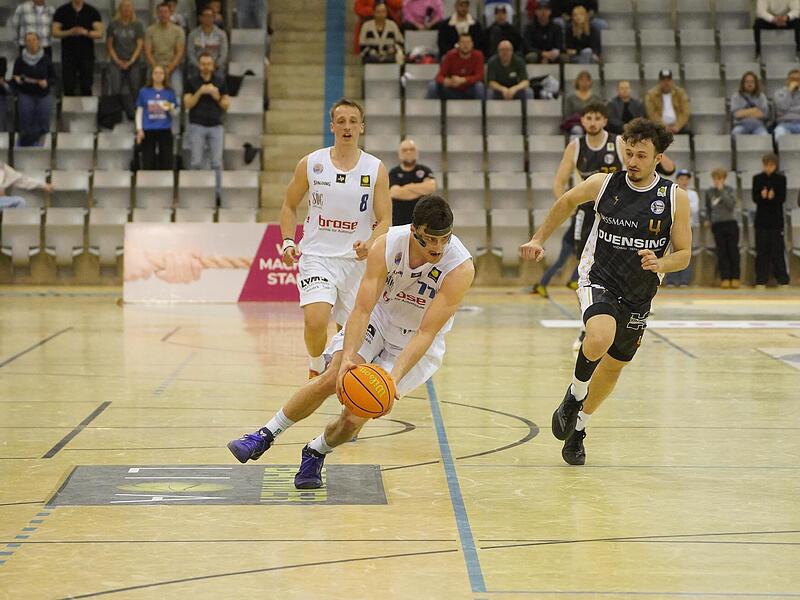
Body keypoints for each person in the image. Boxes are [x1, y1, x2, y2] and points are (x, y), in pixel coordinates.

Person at [228, 196, 475, 490]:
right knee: (333, 375)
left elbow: (426, 332)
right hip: (380, 319)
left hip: (416, 340)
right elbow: (362, 309)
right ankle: (264, 435)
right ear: (414, 231)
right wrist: (346, 357)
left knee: (356, 416)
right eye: (429, 240)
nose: (437, 248)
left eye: (443, 240)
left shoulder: (460, 268)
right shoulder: (387, 245)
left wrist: (392, 378)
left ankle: (315, 451)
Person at [520, 117, 692, 466]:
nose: (632, 161)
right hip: (600, 277)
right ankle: (574, 395)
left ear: (658, 157)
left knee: (613, 367)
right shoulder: (603, 183)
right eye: (629, 153)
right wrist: (539, 238)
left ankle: (579, 427)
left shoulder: (675, 198)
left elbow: (684, 255)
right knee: (599, 336)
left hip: (640, 291)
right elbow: (566, 202)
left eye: (641, 155)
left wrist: (662, 264)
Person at [277, 99, 392, 379]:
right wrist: (289, 241)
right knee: (315, 319)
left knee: (348, 337)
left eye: (353, 121)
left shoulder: (375, 168)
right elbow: (289, 205)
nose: (347, 127)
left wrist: (370, 244)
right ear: (332, 126)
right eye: (341, 121)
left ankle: (339, 379)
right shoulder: (311, 163)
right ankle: (316, 365)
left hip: (356, 263)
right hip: (318, 256)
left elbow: (386, 220)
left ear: (362, 127)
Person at [552, 102, 623, 346]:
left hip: (616, 212)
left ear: (604, 121)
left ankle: (618, 321)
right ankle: (587, 326)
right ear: (582, 121)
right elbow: (559, 183)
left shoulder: (619, 143)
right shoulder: (575, 147)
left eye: (597, 118)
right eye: (588, 118)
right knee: (587, 270)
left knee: (619, 267)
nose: (592, 122)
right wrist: (568, 205)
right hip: (586, 211)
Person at [184, 52, 230, 199]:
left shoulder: (220, 81)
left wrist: (216, 96)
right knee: (196, 161)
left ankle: (217, 195)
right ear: (199, 65)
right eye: (203, 64)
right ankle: (195, 193)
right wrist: (200, 92)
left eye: (208, 64)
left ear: (213, 66)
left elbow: (226, 105)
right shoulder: (191, 81)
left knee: (216, 162)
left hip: (216, 125)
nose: (206, 67)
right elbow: (187, 103)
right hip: (197, 124)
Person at [752, 154, 790, 288]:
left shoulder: (781, 179)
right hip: (761, 221)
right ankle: (761, 280)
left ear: (775, 165)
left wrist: (773, 197)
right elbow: (755, 198)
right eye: (766, 165)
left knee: (778, 251)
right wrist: (762, 197)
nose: (768, 168)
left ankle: (782, 279)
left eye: (771, 165)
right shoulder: (757, 179)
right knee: (761, 251)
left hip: (776, 221)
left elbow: (782, 198)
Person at [12, 32, 56, 147]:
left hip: (43, 95)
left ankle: (42, 150)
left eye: (34, 40)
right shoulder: (20, 60)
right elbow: (15, 76)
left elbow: (54, 78)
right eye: (29, 40)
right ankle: (25, 149)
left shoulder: (46, 59)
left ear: (39, 41)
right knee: (25, 122)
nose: (31, 43)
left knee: (43, 123)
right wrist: (17, 79)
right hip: (25, 94)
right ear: (25, 43)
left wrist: (46, 82)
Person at [51, 0, 104, 96]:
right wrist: (69, 32)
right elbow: (55, 32)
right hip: (68, 54)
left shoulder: (92, 11)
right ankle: (69, 108)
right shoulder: (62, 11)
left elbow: (100, 33)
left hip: (87, 54)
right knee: (68, 83)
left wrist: (85, 32)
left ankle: (87, 109)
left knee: (86, 84)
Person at [701, 167, 740, 289]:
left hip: (730, 223)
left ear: (724, 179)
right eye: (716, 178)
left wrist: (722, 191)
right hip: (717, 224)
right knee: (721, 251)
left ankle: (735, 277)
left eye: (720, 178)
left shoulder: (730, 190)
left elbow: (731, 205)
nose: (718, 180)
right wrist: (708, 219)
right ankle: (725, 278)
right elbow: (708, 207)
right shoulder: (709, 192)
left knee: (732, 251)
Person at [106, 0, 145, 121]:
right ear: (120, 9)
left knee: (135, 88)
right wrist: (117, 61)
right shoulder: (113, 24)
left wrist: (131, 61)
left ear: (133, 9)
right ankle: (115, 116)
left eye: (129, 7)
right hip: (116, 61)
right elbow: (110, 45)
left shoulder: (137, 25)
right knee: (115, 89)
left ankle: (136, 116)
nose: (127, 9)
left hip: (133, 62)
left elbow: (140, 45)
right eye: (124, 7)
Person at [136, 64, 178, 170]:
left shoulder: (170, 92)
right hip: (148, 130)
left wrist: (169, 106)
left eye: (161, 73)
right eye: (155, 73)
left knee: (167, 160)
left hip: (165, 129)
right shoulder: (144, 91)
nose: (158, 75)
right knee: (148, 160)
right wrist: (139, 129)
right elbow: (139, 111)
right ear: (151, 75)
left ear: (165, 76)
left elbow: (175, 112)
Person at [664, 169, 700, 287]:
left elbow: (694, 209)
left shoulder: (692, 194)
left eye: (686, 179)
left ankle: (685, 280)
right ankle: (670, 279)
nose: (684, 181)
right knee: (670, 252)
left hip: (687, 226)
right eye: (681, 179)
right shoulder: (672, 192)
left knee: (685, 252)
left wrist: (680, 206)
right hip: (671, 225)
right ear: (677, 179)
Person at [389, 139, 436, 225]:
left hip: (422, 222)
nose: (408, 152)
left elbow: (430, 187)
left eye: (412, 149)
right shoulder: (393, 172)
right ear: (399, 154)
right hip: (399, 222)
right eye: (405, 150)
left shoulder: (425, 170)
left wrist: (406, 188)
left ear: (416, 152)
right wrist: (420, 189)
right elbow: (394, 193)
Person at [427, 32, 485, 100]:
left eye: (468, 42)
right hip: (452, 88)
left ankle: (481, 110)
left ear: (472, 44)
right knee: (432, 85)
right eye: (463, 42)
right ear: (458, 44)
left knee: (479, 86)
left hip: (469, 89)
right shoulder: (450, 55)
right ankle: (433, 109)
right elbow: (439, 76)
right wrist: (447, 81)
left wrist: (463, 80)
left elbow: (480, 76)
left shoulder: (478, 55)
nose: (465, 45)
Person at [145, 2, 186, 98]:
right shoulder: (150, 30)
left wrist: (169, 68)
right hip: (154, 65)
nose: (163, 14)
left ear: (170, 13)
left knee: (177, 91)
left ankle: (175, 112)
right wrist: (157, 69)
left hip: (173, 66)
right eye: (161, 12)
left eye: (166, 12)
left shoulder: (178, 31)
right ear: (157, 14)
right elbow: (147, 51)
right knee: (150, 92)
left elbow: (179, 52)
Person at [531, 218, 580, 298]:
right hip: (570, 242)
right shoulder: (585, 210)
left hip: (575, 242)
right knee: (559, 264)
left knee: (585, 261)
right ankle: (541, 285)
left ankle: (573, 280)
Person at [187, 5, 229, 78]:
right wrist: (200, 66)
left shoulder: (221, 34)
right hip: (197, 66)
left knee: (221, 70)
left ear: (214, 18)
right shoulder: (193, 34)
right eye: (205, 16)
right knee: (191, 68)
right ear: (200, 18)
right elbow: (191, 53)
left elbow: (223, 54)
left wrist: (215, 65)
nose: (207, 18)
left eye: (210, 16)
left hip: (216, 66)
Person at [645, 68, 691, 135]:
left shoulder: (680, 93)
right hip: (659, 127)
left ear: (672, 81)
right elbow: (652, 114)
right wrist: (663, 126)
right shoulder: (651, 95)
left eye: (668, 80)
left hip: (678, 127)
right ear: (659, 81)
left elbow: (685, 112)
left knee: (689, 134)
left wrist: (677, 126)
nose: (666, 83)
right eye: (663, 80)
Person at [562, 70, 602, 136]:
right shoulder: (570, 98)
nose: (584, 82)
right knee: (577, 130)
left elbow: (599, 114)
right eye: (582, 80)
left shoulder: (596, 98)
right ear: (577, 82)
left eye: (587, 80)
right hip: (576, 123)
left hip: (592, 123)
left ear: (590, 82)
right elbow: (567, 115)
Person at [523, 0, 563, 64]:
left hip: (552, 56)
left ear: (550, 12)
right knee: (531, 56)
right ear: (536, 12)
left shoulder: (556, 27)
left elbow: (559, 46)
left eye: (546, 9)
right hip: (537, 55)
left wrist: (550, 54)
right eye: (540, 9)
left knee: (563, 57)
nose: (543, 12)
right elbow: (527, 46)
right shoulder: (529, 27)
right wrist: (542, 53)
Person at [730, 71, 770, 136]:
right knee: (735, 135)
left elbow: (764, 114)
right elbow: (736, 114)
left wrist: (744, 113)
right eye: (747, 82)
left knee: (765, 137)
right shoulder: (736, 96)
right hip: (741, 125)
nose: (749, 84)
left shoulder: (761, 96)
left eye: (752, 82)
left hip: (758, 126)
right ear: (743, 83)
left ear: (755, 83)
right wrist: (755, 110)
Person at [772, 68, 800, 140]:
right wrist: (789, 91)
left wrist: (787, 111)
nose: (796, 81)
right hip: (784, 124)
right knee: (778, 135)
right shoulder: (778, 93)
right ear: (787, 80)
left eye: (798, 79)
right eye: (793, 79)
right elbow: (782, 107)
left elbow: (783, 111)